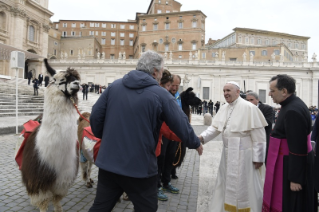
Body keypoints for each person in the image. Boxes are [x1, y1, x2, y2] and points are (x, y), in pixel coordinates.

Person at [89, 50, 203, 212]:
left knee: (100, 207)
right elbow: (181, 123)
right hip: (140, 167)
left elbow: (95, 118)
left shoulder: (113, 86)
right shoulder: (160, 94)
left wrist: (106, 137)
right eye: (162, 72)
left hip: (109, 163)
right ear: (155, 72)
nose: (161, 75)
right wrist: (195, 141)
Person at [198, 81, 267, 212]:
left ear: (237, 92)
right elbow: (214, 128)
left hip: (245, 155)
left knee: (246, 185)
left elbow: (259, 135)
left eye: (228, 90)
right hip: (228, 154)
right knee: (225, 183)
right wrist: (201, 138)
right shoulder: (224, 108)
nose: (225, 93)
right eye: (224, 91)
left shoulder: (249, 108)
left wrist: (259, 157)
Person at [263, 74, 315, 212]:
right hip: (287, 162)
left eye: (272, 91)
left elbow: (298, 147)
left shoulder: (292, 110)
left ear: (284, 91)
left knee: (292, 203)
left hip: (290, 166)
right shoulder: (291, 104)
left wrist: (296, 179)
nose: (269, 94)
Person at [156, 69, 182, 201]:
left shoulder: (178, 96)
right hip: (164, 133)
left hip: (174, 133)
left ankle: (166, 181)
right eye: (172, 85)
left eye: (177, 85)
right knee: (161, 158)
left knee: (170, 157)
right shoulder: (163, 95)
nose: (174, 87)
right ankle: (157, 186)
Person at [246, 92, 274, 163]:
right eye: (247, 100)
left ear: (257, 100)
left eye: (251, 100)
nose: (249, 102)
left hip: (262, 140)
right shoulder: (244, 109)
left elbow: (268, 123)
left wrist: (252, 121)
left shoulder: (267, 108)